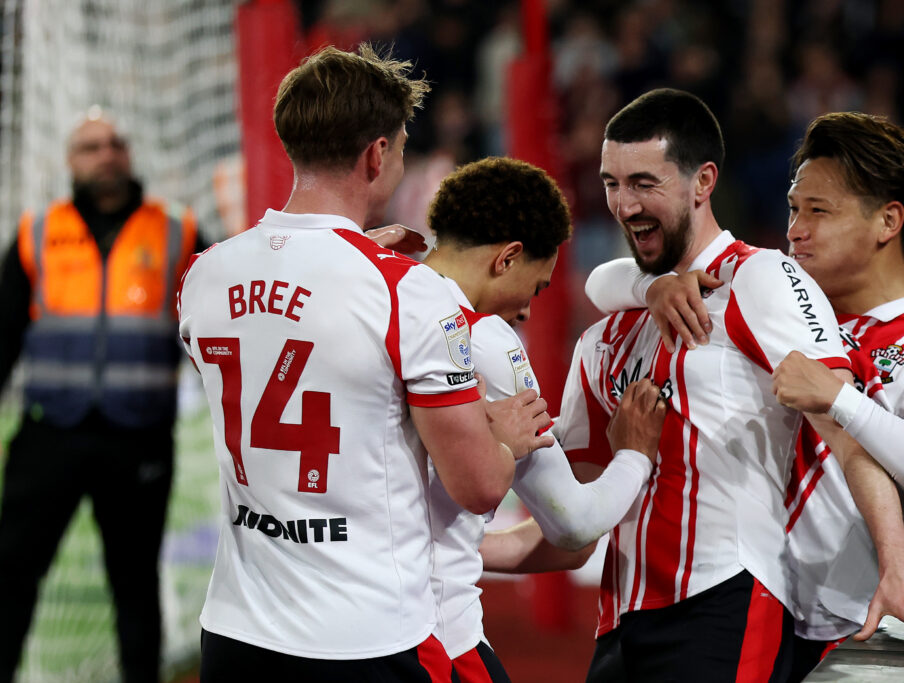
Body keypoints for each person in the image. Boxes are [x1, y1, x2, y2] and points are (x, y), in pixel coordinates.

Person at [177, 45, 552, 681]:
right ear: (377, 154)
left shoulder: (205, 274)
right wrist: (507, 440)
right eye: (401, 147)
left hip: (237, 632)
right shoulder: (410, 293)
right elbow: (480, 485)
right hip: (364, 640)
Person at [586, 112, 904, 678]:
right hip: (740, 605)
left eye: (819, 211)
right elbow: (602, 281)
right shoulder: (767, 298)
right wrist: (649, 283)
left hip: (839, 632)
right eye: (794, 208)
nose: (797, 229)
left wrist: (842, 400)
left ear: (888, 221)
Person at [554, 88, 853, 681]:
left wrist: (894, 563)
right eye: (612, 184)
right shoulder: (609, 335)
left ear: (703, 181)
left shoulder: (760, 277)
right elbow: (576, 504)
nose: (624, 204)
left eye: (644, 182)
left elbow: (843, 420)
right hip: (622, 617)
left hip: (727, 598)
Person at [420, 156, 666, 682]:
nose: (530, 312)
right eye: (536, 287)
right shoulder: (478, 335)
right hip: (433, 635)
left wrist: (445, 545)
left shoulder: (376, 292)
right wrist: (635, 454)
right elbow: (573, 526)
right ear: (508, 258)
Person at [0, 109, 202, 683]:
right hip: (48, 434)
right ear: (71, 162)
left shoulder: (177, 231)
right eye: (90, 147)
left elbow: (214, 329)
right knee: (12, 572)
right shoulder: (36, 232)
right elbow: (3, 334)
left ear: (129, 155)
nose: (106, 154)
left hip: (137, 440)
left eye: (115, 144)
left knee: (134, 583)